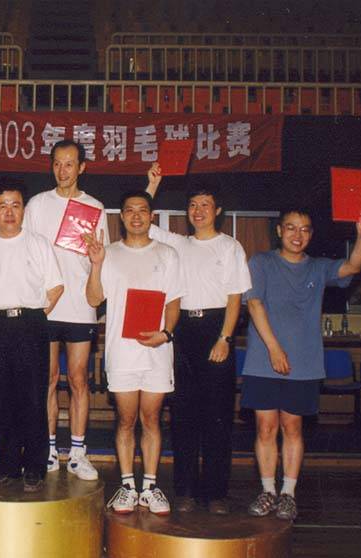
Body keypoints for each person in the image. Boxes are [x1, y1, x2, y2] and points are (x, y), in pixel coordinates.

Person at [243, 207, 361, 521]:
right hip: (263, 360)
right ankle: (268, 491)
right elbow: (255, 303)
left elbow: (353, 266)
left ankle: (288, 493)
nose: (297, 235)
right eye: (291, 227)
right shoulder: (260, 262)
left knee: (292, 427)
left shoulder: (318, 267)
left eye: (304, 229)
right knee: (265, 427)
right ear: (279, 231)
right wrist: (274, 349)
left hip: (304, 363)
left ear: (311, 235)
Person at [145, 164, 252, 514]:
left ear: (217, 210)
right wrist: (152, 186)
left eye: (205, 204)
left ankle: (217, 493)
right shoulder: (177, 244)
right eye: (192, 205)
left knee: (218, 417)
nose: (198, 211)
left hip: (217, 330)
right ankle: (186, 491)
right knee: (183, 416)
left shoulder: (230, 247)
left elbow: (235, 298)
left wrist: (225, 338)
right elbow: (142, 220)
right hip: (183, 332)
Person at [85, 190, 183, 515]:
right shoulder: (109, 253)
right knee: (126, 420)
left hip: (158, 352)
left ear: (151, 216)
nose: (136, 216)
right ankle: (128, 486)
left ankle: (150, 487)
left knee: (152, 419)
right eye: (130, 210)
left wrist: (165, 334)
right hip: (122, 353)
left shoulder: (167, 254)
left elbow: (174, 302)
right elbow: (93, 299)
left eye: (143, 210)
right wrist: (96, 265)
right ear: (122, 217)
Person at [0, 181, 64, 492]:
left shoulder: (38, 244)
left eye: (15, 205)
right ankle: (6, 467)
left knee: (32, 398)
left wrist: (32, 316)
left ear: (23, 210)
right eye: (2, 206)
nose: (9, 212)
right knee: (0, 398)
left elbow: (56, 287)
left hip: (31, 325)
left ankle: (34, 467)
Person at [22, 139, 109, 481]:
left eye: (69, 163)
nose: (63, 170)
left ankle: (77, 452)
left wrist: (94, 255)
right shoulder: (37, 204)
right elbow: (25, 255)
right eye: (57, 163)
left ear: (81, 167)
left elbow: (100, 260)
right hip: (44, 307)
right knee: (46, 379)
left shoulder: (95, 207)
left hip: (80, 307)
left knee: (78, 379)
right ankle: (46, 449)